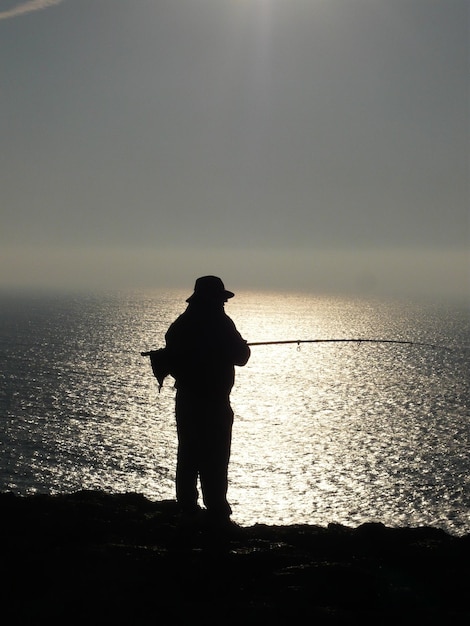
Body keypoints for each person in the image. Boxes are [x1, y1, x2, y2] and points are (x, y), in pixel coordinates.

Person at [164, 276, 251, 532]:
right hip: (214, 402)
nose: (224, 303)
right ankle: (216, 511)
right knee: (215, 455)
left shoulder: (180, 324)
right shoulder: (220, 323)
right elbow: (242, 356)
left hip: (187, 400)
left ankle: (188, 507)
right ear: (213, 299)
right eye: (222, 298)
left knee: (189, 453)